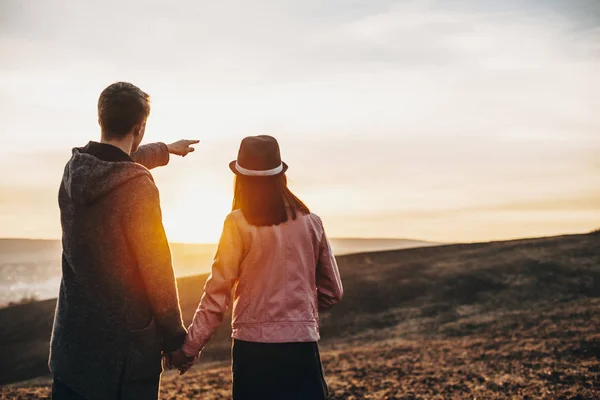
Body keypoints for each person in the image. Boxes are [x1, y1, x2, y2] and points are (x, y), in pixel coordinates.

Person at [49, 81, 199, 400]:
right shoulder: (137, 187)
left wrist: (165, 150)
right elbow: (156, 268)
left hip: (72, 352)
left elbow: (117, 164)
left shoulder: (74, 170)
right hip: (122, 360)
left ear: (102, 119)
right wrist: (174, 339)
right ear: (139, 127)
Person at [168, 135, 343, 400]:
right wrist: (295, 312)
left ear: (241, 178)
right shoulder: (311, 223)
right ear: (280, 175)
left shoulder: (237, 224)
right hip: (302, 349)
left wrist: (189, 349)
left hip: (253, 352)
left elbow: (217, 296)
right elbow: (333, 292)